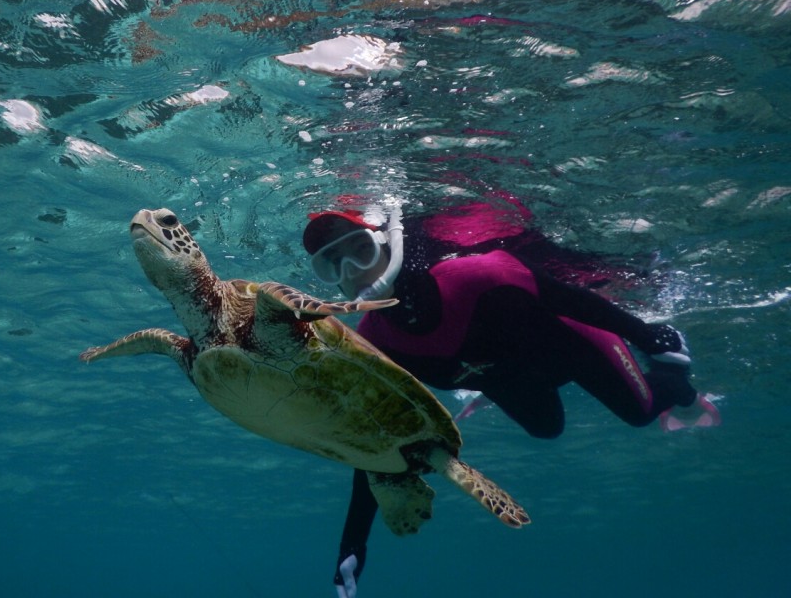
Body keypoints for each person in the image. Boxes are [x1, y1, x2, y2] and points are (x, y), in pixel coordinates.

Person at [302, 205, 720, 598]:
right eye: (332, 263)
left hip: (576, 347)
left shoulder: (477, 275)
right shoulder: (375, 344)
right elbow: (379, 439)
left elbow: (573, 299)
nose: (352, 271)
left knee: (639, 412)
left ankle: (681, 390)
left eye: (361, 250)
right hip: (507, 377)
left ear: (388, 244)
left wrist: (649, 338)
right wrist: (353, 544)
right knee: (547, 428)